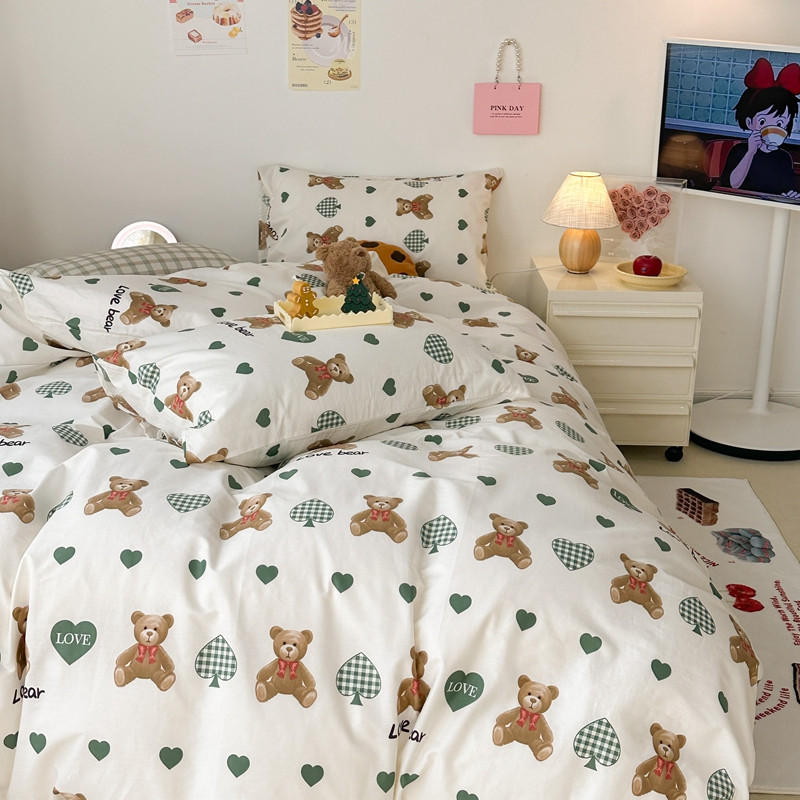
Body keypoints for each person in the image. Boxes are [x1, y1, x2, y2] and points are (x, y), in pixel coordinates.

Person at [720, 58, 800, 198]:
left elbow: (788, 189)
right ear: (749, 122)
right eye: (763, 121)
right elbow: (731, 185)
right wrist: (751, 152)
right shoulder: (739, 151)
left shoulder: (783, 157)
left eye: (780, 124)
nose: (772, 128)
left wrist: (791, 195)